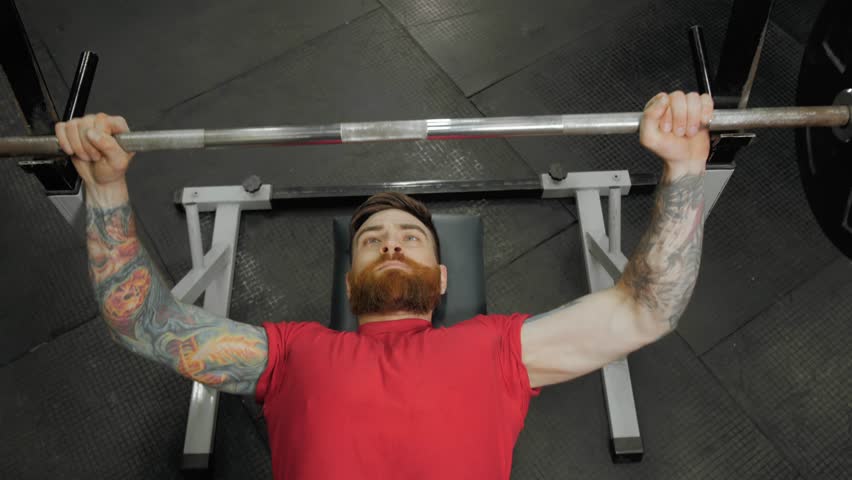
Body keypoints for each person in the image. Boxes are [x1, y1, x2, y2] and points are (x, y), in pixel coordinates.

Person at [56, 91, 713, 479]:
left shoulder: (501, 351)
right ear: (351, 278)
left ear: (442, 275)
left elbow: (648, 308)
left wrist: (684, 168)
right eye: (372, 240)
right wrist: (106, 185)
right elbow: (141, 321)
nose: (391, 241)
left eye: (409, 237)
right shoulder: (289, 356)